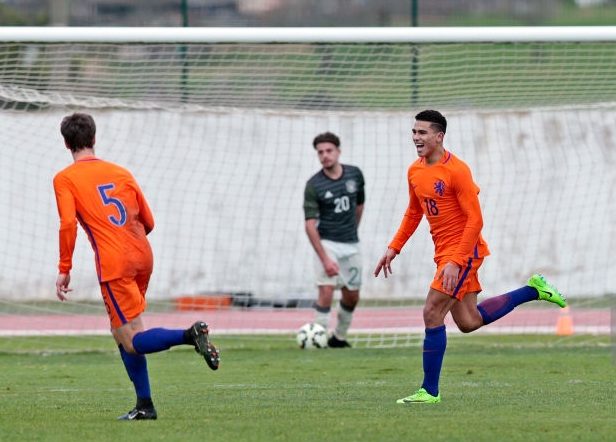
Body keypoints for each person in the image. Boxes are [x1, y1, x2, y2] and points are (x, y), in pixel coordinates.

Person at [374, 110, 566, 404]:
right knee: (468, 321)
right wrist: (394, 247)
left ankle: (429, 391)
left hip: (464, 252)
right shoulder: (414, 170)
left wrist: (456, 260)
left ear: (439, 136)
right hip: (444, 254)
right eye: (414, 132)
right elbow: (414, 212)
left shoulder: (458, 171)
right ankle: (533, 289)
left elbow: (475, 220)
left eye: (422, 132)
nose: (416, 137)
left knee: (432, 312)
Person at [53, 113, 220, 420]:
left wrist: (64, 267)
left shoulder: (65, 179)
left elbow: (67, 224)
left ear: (66, 143)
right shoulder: (120, 172)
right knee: (123, 332)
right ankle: (145, 405)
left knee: (131, 340)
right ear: (94, 138)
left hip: (114, 263)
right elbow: (149, 220)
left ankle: (189, 335)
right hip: (143, 255)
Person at [303, 131, 365, 348]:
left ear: (338, 151)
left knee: (352, 296)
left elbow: (359, 205)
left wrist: (351, 230)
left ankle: (338, 338)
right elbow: (310, 225)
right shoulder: (314, 185)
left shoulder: (355, 175)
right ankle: (318, 339)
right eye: (320, 152)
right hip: (327, 243)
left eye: (329, 151)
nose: (325, 155)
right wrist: (324, 258)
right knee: (326, 290)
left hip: (351, 243)